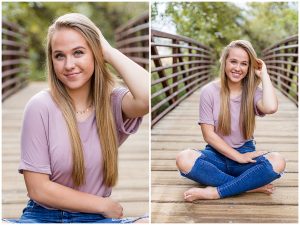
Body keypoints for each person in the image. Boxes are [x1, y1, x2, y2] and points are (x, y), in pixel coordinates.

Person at [14, 13, 149, 223]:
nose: (69, 65)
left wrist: (109, 52)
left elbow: (147, 98)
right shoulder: (40, 106)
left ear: (96, 53)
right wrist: (103, 205)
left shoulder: (112, 102)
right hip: (44, 216)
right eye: (60, 55)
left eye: (78, 52)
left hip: (95, 219)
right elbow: (38, 189)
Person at [176, 40, 286, 201]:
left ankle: (216, 192)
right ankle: (249, 186)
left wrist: (264, 75)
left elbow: (270, 107)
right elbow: (208, 135)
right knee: (183, 158)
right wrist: (237, 157)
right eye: (233, 61)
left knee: (278, 161)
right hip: (216, 155)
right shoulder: (209, 91)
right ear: (224, 61)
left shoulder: (252, 92)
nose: (237, 68)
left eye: (244, 64)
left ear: (249, 68)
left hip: (245, 154)